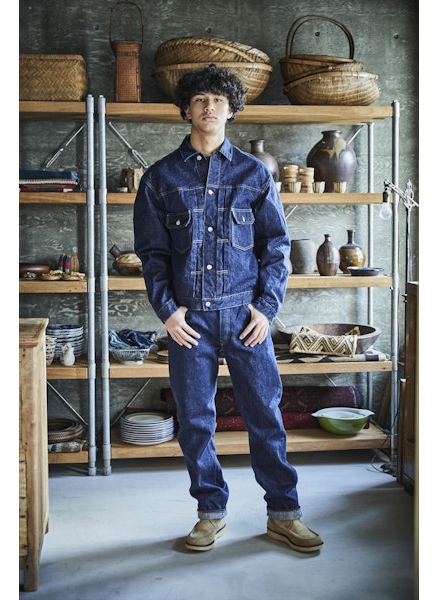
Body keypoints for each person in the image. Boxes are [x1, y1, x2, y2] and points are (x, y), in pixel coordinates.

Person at [133, 64, 323, 554]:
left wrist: (265, 309)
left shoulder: (254, 174)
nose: (209, 107)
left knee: (265, 416)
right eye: (200, 99)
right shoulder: (159, 178)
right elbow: (152, 255)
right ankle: (210, 511)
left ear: (232, 110)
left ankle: (284, 514)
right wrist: (168, 312)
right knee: (195, 421)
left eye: (218, 99)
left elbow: (275, 248)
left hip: (245, 319)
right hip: (189, 322)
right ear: (186, 110)